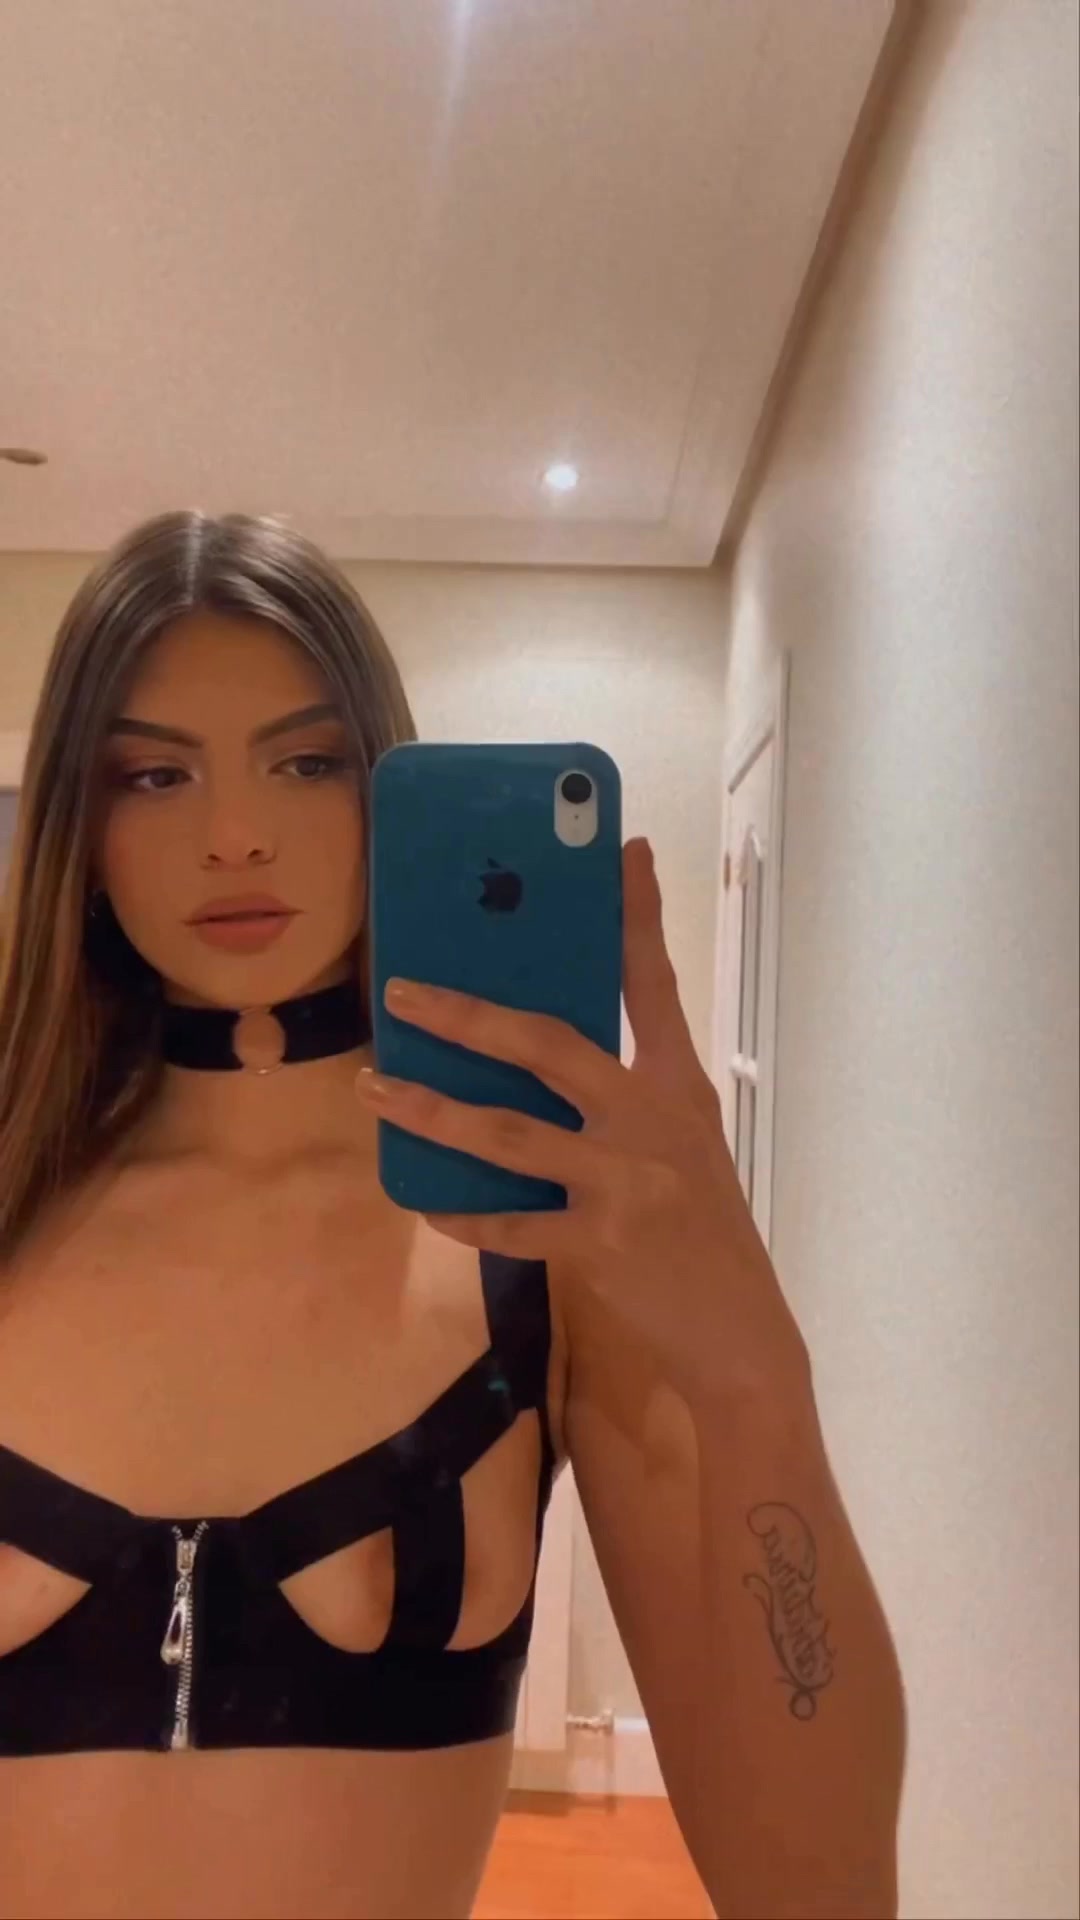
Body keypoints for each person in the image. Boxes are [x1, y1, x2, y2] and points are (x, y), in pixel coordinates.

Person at [0, 511, 906, 1920]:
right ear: (82, 822)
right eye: (155, 774)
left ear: (386, 790)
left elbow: (820, 1887)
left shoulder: (533, 1246)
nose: (236, 836)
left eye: (307, 761)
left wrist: (753, 1375)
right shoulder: (16, 1205)